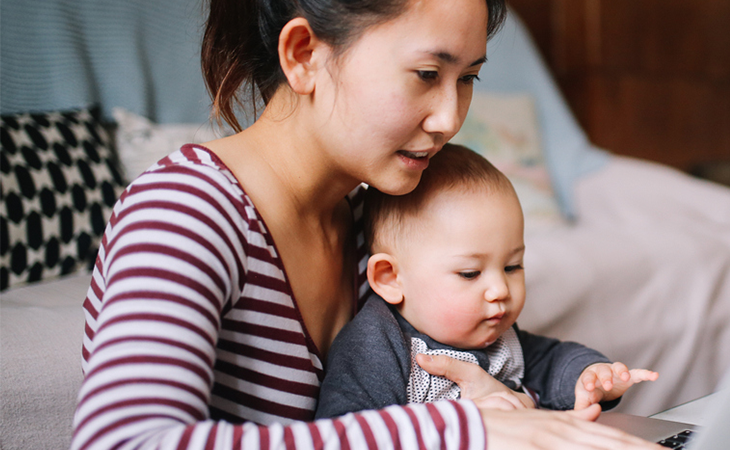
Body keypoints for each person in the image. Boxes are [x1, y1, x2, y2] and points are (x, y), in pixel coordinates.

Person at [69, 0, 661, 448]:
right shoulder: (186, 213)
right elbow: (127, 442)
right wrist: (460, 428)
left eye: (469, 78)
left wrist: (513, 408)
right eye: (428, 74)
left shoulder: (375, 220)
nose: (450, 118)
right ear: (304, 55)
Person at [315, 145, 657, 419]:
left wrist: (590, 376)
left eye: (512, 266)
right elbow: (350, 431)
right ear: (390, 279)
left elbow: (551, 361)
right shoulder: (377, 346)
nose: (500, 291)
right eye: (470, 273)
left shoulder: (498, 336)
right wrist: (460, 421)